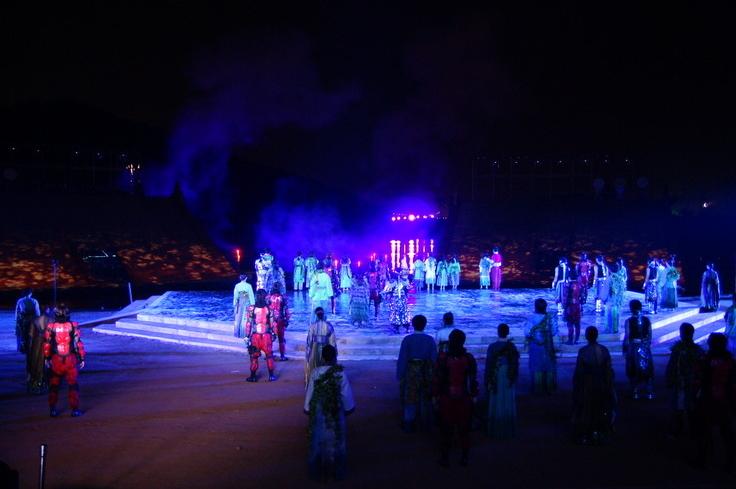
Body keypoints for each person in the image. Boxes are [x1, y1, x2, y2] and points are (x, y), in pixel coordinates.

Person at [304, 344, 355, 481]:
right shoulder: (340, 373)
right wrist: (349, 407)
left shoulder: (315, 372)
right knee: (337, 437)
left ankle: (316, 471)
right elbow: (345, 393)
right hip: (335, 408)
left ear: (322, 358)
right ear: (335, 357)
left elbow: (311, 391)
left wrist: (307, 408)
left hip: (319, 408)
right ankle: (338, 471)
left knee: (317, 437)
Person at [433, 329, 478, 467]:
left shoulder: (443, 358)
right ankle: (464, 457)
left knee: (446, 429)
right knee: (464, 429)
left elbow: (438, 379)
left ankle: (445, 458)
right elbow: (473, 379)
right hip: (463, 397)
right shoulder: (468, 358)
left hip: (447, 397)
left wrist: (435, 395)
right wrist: (474, 395)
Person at [693, 333, 736, 470]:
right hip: (725, 399)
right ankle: (730, 462)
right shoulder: (730, 361)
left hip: (708, 399)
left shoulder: (705, 359)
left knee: (704, 431)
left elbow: (699, 378)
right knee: (726, 432)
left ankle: (703, 459)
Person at [572, 326, 616, 445]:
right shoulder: (604, 350)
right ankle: (599, 431)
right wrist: (609, 383)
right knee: (600, 406)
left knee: (588, 407)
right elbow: (608, 369)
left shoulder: (583, 351)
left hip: (588, 383)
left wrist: (576, 383)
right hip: (601, 382)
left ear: (587, 336)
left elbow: (579, 370)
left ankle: (589, 432)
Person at [397, 315, 438, 432]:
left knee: (410, 396)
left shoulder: (407, 340)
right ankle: (426, 422)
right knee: (426, 396)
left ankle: (409, 422)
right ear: (425, 325)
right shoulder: (430, 340)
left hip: (411, 371)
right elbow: (434, 358)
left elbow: (403, 358)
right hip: (426, 371)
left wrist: (400, 374)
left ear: (413, 324)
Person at [44, 305, 86, 417]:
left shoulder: (51, 326)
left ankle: (53, 410)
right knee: (73, 384)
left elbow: (47, 344)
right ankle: (75, 410)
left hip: (56, 359)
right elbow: (78, 343)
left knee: (54, 385)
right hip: (70, 359)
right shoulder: (73, 325)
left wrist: (47, 358)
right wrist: (81, 358)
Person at [665, 323, 704, 438]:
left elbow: (672, 365)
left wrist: (669, 378)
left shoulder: (679, 349)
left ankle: (680, 430)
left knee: (680, 407)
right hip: (691, 382)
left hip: (683, 382)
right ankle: (691, 431)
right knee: (689, 407)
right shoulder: (697, 350)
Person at [485, 323, 519, 439]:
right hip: (508, 373)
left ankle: (496, 427)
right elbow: (515, 363)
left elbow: (489, 364)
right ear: (508, 332)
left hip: (496, 373)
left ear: (498, 332)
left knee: (496, 397)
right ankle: (508, 427)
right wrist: (514, 376)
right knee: (508, 397)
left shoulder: (492, 347)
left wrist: (487, 378)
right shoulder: (512, 347)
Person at [524, 298, 559, 394]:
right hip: (548, 346)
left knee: (537, 366)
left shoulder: (531, 318)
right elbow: (554, 331)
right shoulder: (550, 318)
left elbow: (527, 333)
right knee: (548, 365)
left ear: (535, 307)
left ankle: (537, 389)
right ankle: (549, 389)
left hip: (536, 347)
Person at [623, 299, 654, 399]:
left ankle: (635, 391)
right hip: (644, 346)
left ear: (631, 309)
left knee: (633, 367)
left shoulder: (629, 321)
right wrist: (646, 344)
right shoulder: (647, 320)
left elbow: (627, 336)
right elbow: (650, 335)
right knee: (646, 367)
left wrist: (625, 349)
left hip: (634, 347)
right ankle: (649, 391)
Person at [245, 289, 276, 382]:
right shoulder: (269, 309)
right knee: (269, 356)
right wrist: (274, 334)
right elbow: (273, 324)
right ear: (265, 297)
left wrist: (247, 336)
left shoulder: (251, 309)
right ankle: (271, 376)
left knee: (254, 357)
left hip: (256, 336)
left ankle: (253, 376)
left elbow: (248, 324)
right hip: (267, 336)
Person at [305, 307, 337, 384]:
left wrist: (308, 353)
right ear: (323, 315)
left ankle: (314, 381)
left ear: (316, 315)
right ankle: (326, 381)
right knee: (325, 363)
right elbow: (332, 341)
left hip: (315, 348)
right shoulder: (329, 326)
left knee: (315, 365)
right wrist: (334, 353)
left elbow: (309, 341)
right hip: (326, 348)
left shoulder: (312, 326)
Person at [27, 309, 50, 394]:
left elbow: (31, 335)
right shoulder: (51, 320)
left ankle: (36, 383)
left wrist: (29, 348)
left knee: (35, 363)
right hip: (47, 342)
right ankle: (44, 382)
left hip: (36, 343)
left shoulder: (34, 320)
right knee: (45, 363)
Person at [267, 286, 290, 361]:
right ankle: (282, 356)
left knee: (270, 339)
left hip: (271, 320)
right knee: (281, 339)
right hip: (280, 320)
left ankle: (269, 355)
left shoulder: (268, 298)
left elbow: (266, 310)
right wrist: (287, 320)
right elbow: (287, 312)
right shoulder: (283, 298)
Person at [15, 289, 40, 354]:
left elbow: (17, 312)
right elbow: (37, 312)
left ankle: (21, 348)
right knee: (32, 334)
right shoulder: (34, 301)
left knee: (21, 334)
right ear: (30, 294)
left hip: (23, 320)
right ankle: (31, 348)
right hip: (32, 320)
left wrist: (16, 320)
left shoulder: (20, 301)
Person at [607, 262, 626, 334]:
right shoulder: (621, 279)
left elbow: (608, 291)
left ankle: (611, 328)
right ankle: (616, 328)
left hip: (612, 299)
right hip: (619, 300)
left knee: (611, 314)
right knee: (617, 314)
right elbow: (623, 289)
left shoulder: (611, 278)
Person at [564, 270, 583, 345]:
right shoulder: (580, 285)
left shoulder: (568, 285)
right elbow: (582, 297)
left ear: (569, 277)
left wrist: (564, 308)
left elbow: (565, 298)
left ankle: (570, 340)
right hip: (577, 306)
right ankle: (576, 340)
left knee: (570, 323)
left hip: (570, 307)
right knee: (577, 324)